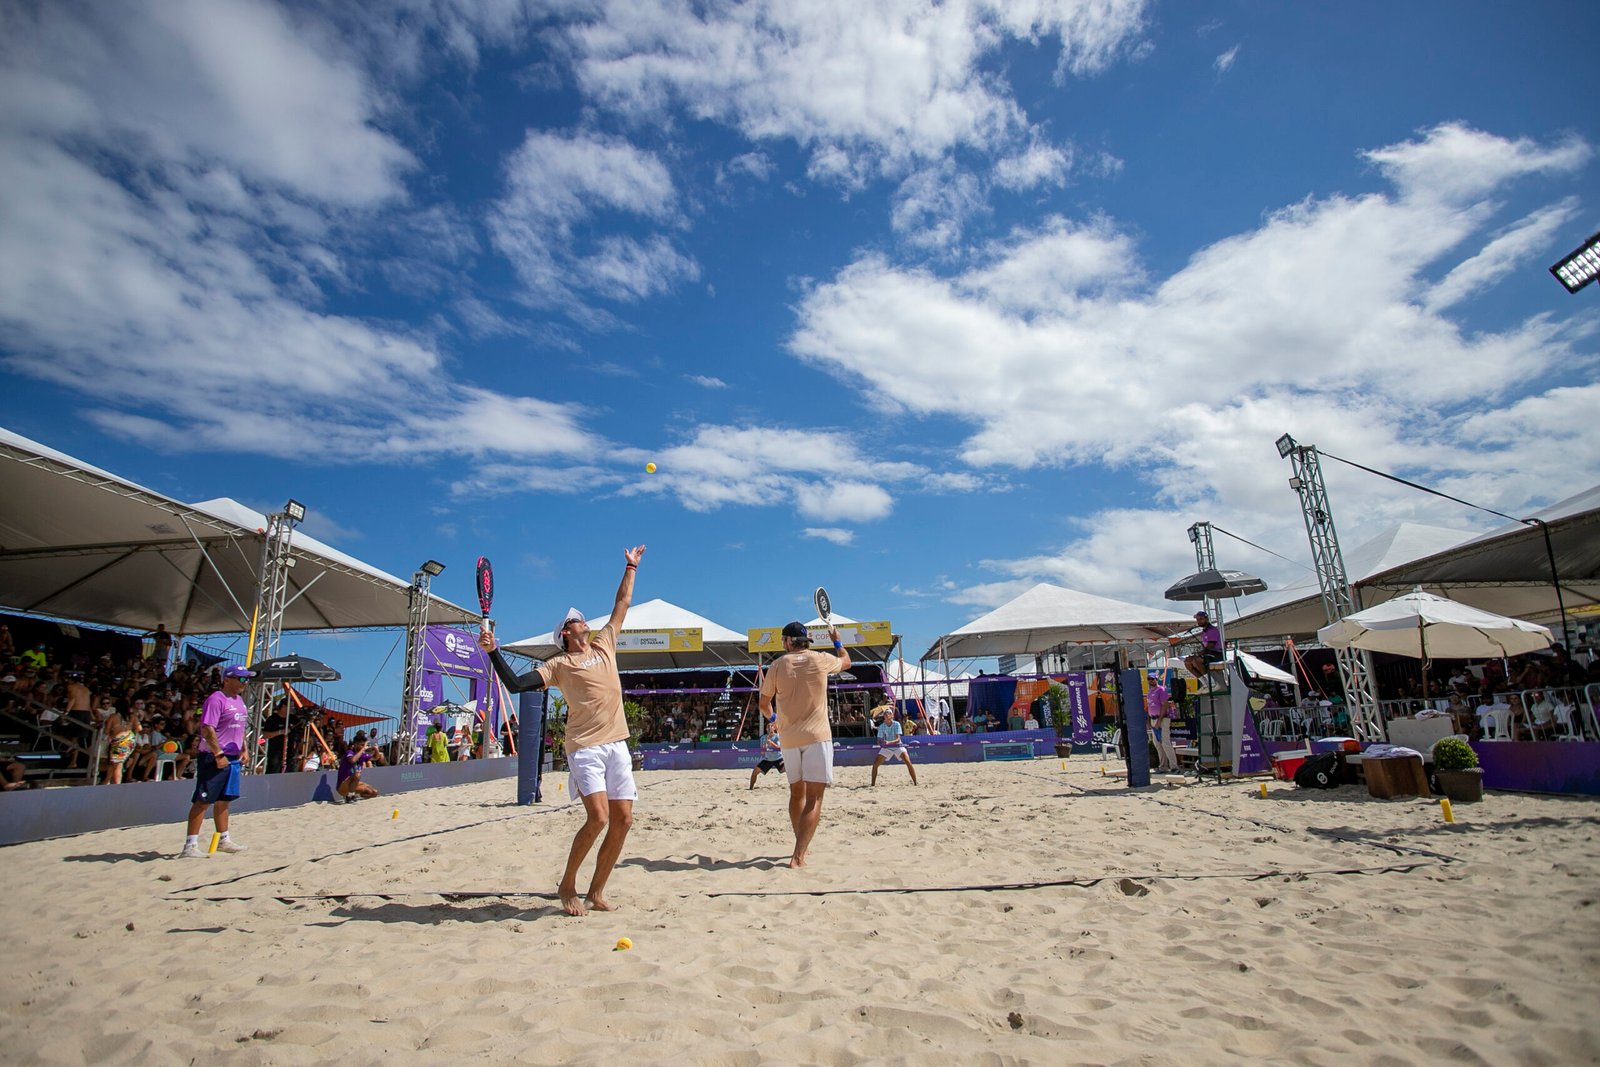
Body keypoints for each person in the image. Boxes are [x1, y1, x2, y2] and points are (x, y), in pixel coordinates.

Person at [482, 544, 646, 917]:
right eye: (576, 621)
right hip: (585, 747)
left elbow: (622, 604)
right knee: (599, 818)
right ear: (566, 635)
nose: (582, 621)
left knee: (624, 820)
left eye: (582, 619)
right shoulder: (557, 665)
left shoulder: (604, 644)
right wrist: (493, 652)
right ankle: (567, 885)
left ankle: (597, 891)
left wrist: (630, 567)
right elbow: (515, 685)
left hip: (616, 743)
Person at [759, 620, 850, 869]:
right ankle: (798, 856)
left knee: (796, 794)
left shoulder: (777, 665)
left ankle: (801, 847)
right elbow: (846, 661)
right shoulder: (820, 659)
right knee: (815, 798)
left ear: (788, 641)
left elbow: (763, 705)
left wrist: (776, 720)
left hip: (789, 739)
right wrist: (836, 640)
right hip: (817, 736)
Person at [178, 665, 253, 858]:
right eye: (241, 679)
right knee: (203, 800)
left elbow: (240, 728)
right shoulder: (216, 699)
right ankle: (190, 845)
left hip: (232, 755)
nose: (245, 682)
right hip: (214, 756)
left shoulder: (239, 701)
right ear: (227, 679)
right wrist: (218, 754)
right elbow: (208, 729)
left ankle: (223, 839)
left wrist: (244, 749)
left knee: (223, 800)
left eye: (246, 679)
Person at [869, 704, 917, 787]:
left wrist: (888, 742)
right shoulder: (881, 726)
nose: (886, 714)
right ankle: (872, 785)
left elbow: (898, 739)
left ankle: (916, 783)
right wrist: (881, 742)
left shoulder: (896, 724)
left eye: (888, 713)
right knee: (875, 765)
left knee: (908, 762)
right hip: (887, 748)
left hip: (898, 746)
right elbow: (879, 740)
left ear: (892, 715)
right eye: (885, 714)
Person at [1146, 676, 1180, 773]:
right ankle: (1163, 766)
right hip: (1153, 719)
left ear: (1156, 679)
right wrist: (1149, 721)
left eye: (1152, 679)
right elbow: (1149, 707)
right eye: (1149, 679)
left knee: (1165, 742)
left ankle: (1174, 766)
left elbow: (1165, 705)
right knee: (1157, 744)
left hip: (1162, 719)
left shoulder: (1161, 690)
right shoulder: (1149, 692)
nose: (1151, 681)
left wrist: (1159, 720)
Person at [337, 733, 380, 802]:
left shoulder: (362, 755)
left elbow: (375, 758)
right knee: (357, 775)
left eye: (364, 745)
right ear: (356, 744)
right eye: (362, 745)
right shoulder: (349, 752)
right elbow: (353, 760)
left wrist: (376, 749)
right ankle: (349, 796)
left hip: (353, 785)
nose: (364, 747)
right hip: (343, 784)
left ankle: (355, 796)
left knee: (374, 792)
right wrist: (363, 749)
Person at [1183, 611, 1224, 681]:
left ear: (1207, 619)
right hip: (1209, 654)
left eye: (1201, 619)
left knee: (1195, 660)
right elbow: (1205, 647)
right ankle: (1205, 683)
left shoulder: (1212, 630)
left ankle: (1212, 682)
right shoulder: (1203, 632)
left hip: (1217, 654)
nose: (1199, 621)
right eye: (1197, 619)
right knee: (1187, 661)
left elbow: (1210, 646)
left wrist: (1198, 654)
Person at [748, 718, 785, 789]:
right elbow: (762, 752)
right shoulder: (763, 738)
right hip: (768, 759)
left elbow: (780, 748)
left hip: (778, 758)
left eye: (771, 726)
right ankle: (750, 788)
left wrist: (772, 743)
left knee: (790, 769)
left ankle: (797, 785)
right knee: (755, 772)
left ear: (774, 728)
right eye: (768, 726)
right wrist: (765, 743)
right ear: (766, 729)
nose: (769, 728)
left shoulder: (778, 736)